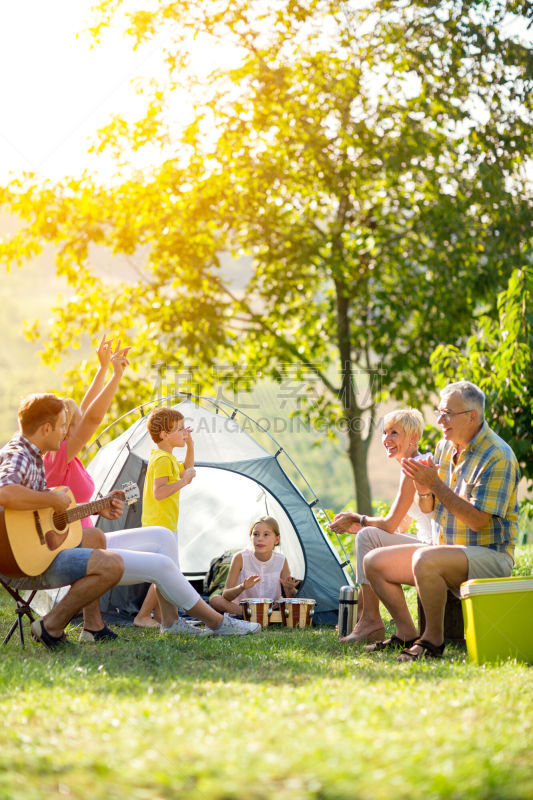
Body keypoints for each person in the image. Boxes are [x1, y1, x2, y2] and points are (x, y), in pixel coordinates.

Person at [363, 381, 519, 662]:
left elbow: (477, 521)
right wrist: (425, 490)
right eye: (439, 412)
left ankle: (432, 641)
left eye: (447, 413)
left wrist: (435, 483)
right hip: (443, 549)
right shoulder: (445, 447)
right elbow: (430, 506)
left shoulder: (498, 455)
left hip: (490, 555)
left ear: (471, 416)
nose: (439, 421)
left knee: (426, 558)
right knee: (373, 561)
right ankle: (406, 633)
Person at [0, 394, 124, 649]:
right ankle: (51, 626)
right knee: (113, 565)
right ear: (47, 428)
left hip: (33, 550)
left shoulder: (33, 456)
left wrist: (96, 508)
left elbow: (43, 516)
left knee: (95, 538)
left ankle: (92, 626)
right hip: (21, 564)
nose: (65, 432)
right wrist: (50, 499)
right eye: (62, 426)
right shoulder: (19, 454)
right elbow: (6, 493)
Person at [42, 334, 131, 642]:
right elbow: (92, 416)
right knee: (94, 537)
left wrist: (102, 368)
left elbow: (84, 410)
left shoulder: (66, 455)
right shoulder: (61, 453)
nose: (79, 428)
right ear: (64, 428)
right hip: (60, 540)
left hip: (77, 534)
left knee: (94, 536)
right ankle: (89, 624)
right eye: (72, 424)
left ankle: (92, 626)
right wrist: (117, 376)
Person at [330, 409, 433, 644]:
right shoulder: (412, 464)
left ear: (413, 438)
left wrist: (359, 519)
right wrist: (363, 529)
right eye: (385, 433)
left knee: (367, 535)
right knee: (367, 536)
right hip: (428, 545)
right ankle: (369, 620)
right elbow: (400, 525)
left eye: (394, 433)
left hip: (434, 549)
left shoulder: (414, 467)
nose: (386, 439)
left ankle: (370, 621)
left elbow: (390, 523)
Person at [133, 405, 195, 629]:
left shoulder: (166, 457)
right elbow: (159, 493)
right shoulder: (161, 460)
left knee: (166, 571)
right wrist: (183, 482)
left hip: (166, 525)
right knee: (165, 573)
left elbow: (187, 467)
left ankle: (161, 618)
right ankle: (142, 616)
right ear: (164, 435)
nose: (184, 433)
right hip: (159, 527)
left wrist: (191, 445)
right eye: (179, 430)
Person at [209, 516, 300, 616]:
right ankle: (253, 614)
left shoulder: (281, 560)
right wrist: (242, 587)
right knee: (215, 600)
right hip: (243, 607)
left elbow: (289, 598)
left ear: (277, 540)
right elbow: (226, 595)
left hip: (271, 608)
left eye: (266, 535)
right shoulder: (240, 557)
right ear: (250, 537)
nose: (260, 539)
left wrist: (290, 589)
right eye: (256, 534)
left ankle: (255, 616)